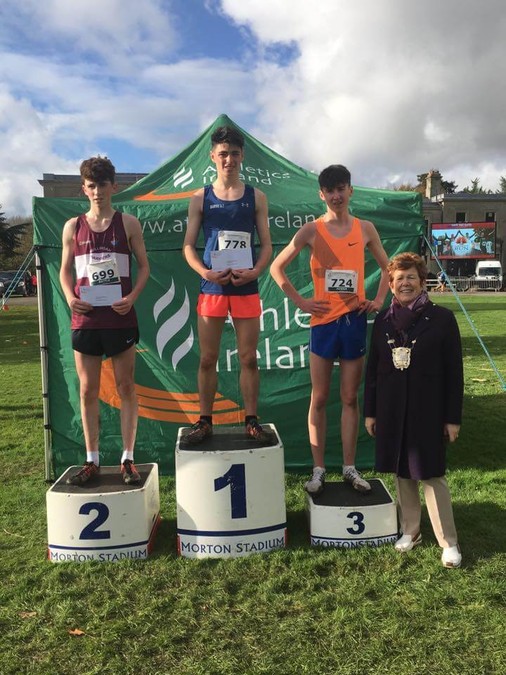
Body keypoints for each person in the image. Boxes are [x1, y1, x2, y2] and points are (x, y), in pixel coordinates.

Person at [270, 164, 389, 494]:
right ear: (321, 195)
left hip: (352, 323)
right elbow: (276, 268)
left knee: (349, 397)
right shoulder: (311, 230)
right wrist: (301, 302)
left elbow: (386, 267)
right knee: (319, 397)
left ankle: (349, 468)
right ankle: (318, 469)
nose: (336, 196)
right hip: (323, 324)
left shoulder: (365, 228)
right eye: (330, 191)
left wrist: (378, 298)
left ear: (351, 190)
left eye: (342, 189)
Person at [364, 252, 463, 568]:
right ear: (390, 285)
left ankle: (448, 542)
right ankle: (411, 530)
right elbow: (373, 370)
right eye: (398, 279)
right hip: (392, 408)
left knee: (431, 474)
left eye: (410, 277)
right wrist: (371, 411)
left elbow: (454, 373)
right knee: (402, 472)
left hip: (428, 409)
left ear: (422, 282)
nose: (404, 283)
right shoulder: (383, 320)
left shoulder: (443, 319)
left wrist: (452, 418)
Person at [60, 156, 150, 485]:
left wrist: (132, 297)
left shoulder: (128, 224)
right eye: (91, 185)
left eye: (103, 185)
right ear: (84, 188)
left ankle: (128, 458)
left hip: (119, 319)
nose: (98, 191)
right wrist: (70, 297)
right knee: (88, 390)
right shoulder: (73, 226)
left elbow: (144, 268)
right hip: (85, 321)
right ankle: (91, 459)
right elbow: (64, 270)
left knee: (126, 387)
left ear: (114, 187)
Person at [182, 126, 274, 444]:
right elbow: (188, 247)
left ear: (242, 156)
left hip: (245, 286)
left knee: (249, 357)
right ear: (213, 157)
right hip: (213, 288)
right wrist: (204, 273)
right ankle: (204, 420)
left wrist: (256, 271)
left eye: (234, 154)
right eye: (223, 154)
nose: (229, 160)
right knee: (208, 358)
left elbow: (266, 246)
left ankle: (251, 420)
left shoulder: (256, 197)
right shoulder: (200, 197)